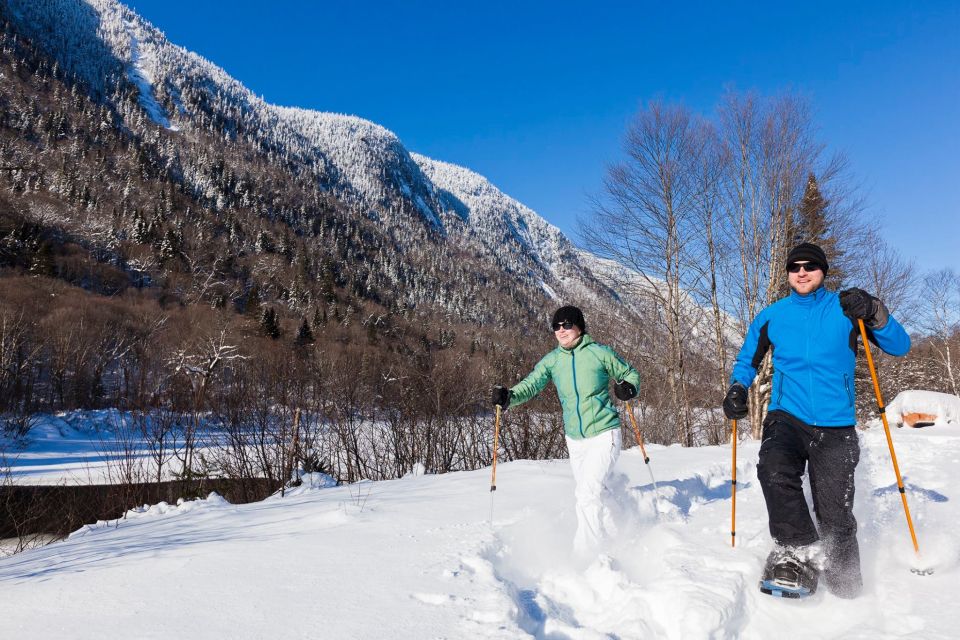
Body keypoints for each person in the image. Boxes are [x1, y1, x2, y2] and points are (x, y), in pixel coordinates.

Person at [723, 242, 910, 598]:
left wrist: (873, 310)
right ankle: (798, 549)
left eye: (810, 266)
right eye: (795, 267)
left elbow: (900, 345)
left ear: (823, 270)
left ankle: (847, 589)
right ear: (788, 274)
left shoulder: (846, 310)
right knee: (773, 471)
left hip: (836, 423)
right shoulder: (772, 315)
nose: (802, 272)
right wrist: (737, 388)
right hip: (786, 415)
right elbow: (748, 360)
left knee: (836, 517)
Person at [492, 305, 641, 555]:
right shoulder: (553, 360)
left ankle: (588, 554)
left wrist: (628, 387)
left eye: (567, 324)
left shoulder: (599, 353)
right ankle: (626, 520)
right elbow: (531, 384)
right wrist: (509, 396)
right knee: (592, 491)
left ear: (579, 327)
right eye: (556, 326)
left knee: (586, 493)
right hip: (575, 439)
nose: (561, 330)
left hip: (605, 433)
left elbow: (630, 374)